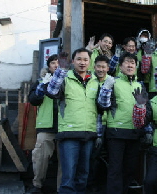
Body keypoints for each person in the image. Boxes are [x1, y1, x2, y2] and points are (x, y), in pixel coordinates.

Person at [46, 48, 100, 193]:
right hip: (69, 134)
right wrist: (61, 70)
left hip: (88, 134)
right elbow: (51, 91)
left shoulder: (95, 81)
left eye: (85, 59)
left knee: (83, 176)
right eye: (79, 59)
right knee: (68, 178)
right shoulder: (64, 78)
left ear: (90, 62)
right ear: (73, 61)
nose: (82, 62)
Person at [97, 52, 144, 194]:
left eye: (133, 63)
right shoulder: (113, 82)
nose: (130, 65)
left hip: (134, 132)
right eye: (127, 62)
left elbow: (145, 110)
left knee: (130, 168)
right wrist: (106, 88)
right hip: (116, 132)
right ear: (120, 65)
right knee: (115, 169)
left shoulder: (139, 85)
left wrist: (146, 130)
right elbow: (102, 105)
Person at [27, 54, 62, 193]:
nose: (56, 65)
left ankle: (62, 188)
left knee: (65, 162)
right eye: (53, 63)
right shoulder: (41, 80)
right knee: (40, 157)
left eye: (59, 63)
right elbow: (33, 100)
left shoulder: (68, 80)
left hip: (65, 125)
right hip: (45, 126)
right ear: (49, 66)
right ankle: (37, 185)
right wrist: (43, 86)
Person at [87, 55, 112, 192]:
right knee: (94, 157)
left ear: (108, 68)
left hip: (111, 125)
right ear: (94, 67)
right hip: (94, 125)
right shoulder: (89, 81)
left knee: (110, 157)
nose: (101, 69)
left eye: (104, 67)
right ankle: (92, 184)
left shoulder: (113, 82)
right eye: (98, 66)